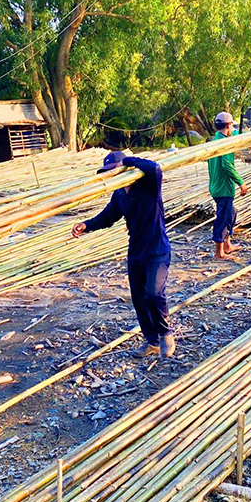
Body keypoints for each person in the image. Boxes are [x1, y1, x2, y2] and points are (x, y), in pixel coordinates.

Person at [72, 152, 174, 358]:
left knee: (153, 294)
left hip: (157, 249)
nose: (112, 175)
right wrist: (86, 225)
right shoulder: (119, 194)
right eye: (108, 173)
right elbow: (107, 217)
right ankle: (152, 341)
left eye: (114, 170)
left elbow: (154, 167)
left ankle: (165, 333)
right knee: (138, 299)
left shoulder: (148, 184)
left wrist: (127, 161)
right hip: (136, 251)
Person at [207, 111, 248, 260]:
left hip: (216, 186)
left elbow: (237, 133)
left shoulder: (215, 140)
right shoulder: (226, 144)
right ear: (229, 125)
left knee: (231, 212)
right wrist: (241, 183)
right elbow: (226, 165)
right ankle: (219, 252)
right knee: (223, 218)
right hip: (223, 188)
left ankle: (227, 244)